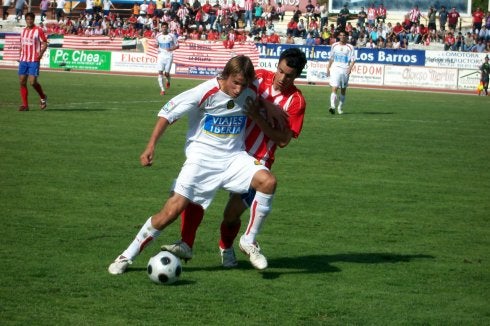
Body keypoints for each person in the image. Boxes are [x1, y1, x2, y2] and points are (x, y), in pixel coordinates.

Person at [108, 55, 278, 275]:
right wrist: (150, 146)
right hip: (201, 160)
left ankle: (249, 240)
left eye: (243, 85)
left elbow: (261, 90)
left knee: (268, 182)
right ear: (225, 76)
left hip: (234, 157)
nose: (238, 89)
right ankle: (126, 256)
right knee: (170, 212)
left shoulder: (249, 90)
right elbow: (167, 114)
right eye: (235, 83)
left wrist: (270, 107)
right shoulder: (204, 92)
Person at [161, 48, 307, 269]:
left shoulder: (296, 102)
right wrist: (266, 104)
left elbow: (283, 140)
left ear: (297, 76)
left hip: (258, 160)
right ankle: (186, 243)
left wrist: (258, 117)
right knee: (197, 196)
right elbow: (230, 85)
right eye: (281, 71)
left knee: (232, 213)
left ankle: (227, 247)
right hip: (227, 150)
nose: (283, 78)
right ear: (277, 66)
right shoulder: (258, 77)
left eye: (289, 75)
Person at [18, 12, 48, 112]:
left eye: (31, 19)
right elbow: (21, 44)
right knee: (22, 82)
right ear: (25, 20)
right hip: (23, 59)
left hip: (34, 60)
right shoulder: (23, 31)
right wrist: (20, 55)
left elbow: (44, 43)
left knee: (32, 82)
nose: (29, 21)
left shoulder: (38, 30)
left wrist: (40, 54)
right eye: (27, 19)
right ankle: (25, 105)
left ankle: (43, 97)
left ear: (33, 20)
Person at [327, 31, 355, 115]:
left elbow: (353, 59)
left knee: (343, 90)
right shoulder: (334, 45)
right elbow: (331, 58)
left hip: (345, 70)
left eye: (344, 35)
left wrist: (350, 68)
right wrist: (328, 68)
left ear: (346, 37)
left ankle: (340, 107)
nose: (342, 37)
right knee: (334, 87)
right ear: (339, 36)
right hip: (335, 68)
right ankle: (332, 106)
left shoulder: (350, 47)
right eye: (341, 35)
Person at [155, 21, 179, 96]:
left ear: (167, 28)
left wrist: (171, 49)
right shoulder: (158, 36)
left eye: (165, 27)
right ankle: (162, 90)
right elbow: (156, 44)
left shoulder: (172, 36)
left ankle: (168, 81)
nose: (164, 29)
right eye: (163, 27)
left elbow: (177, 46)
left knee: (167, 73)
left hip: (169, 56)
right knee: (160, 72)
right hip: (161, 56)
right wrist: (155, 46)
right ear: (161, 28)